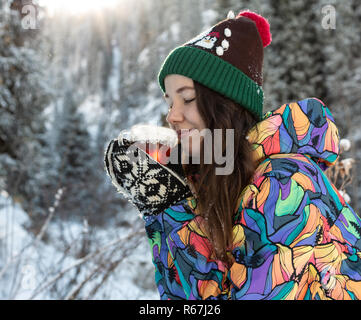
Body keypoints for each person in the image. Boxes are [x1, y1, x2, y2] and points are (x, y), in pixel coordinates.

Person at [104, 10, 361, 300]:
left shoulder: (284, 183)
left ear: (226, 104)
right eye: (169, 101)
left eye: (187, 98)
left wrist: (173, 212)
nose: (172, 116)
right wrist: (170, 210)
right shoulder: (228, 180)